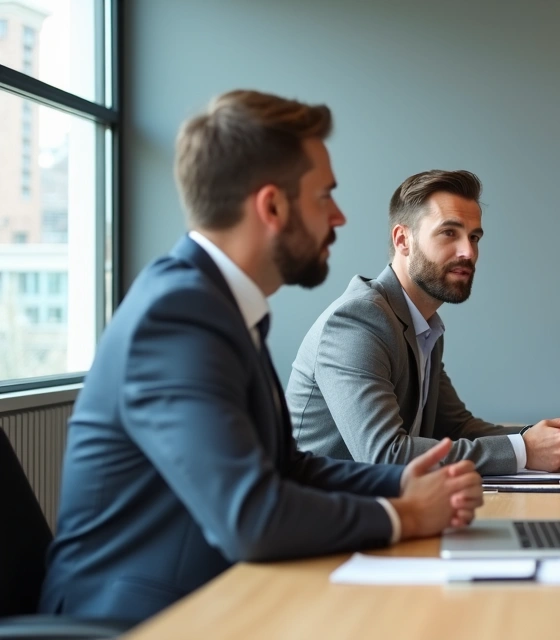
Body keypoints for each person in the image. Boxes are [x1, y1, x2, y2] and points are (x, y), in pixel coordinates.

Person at [38, 90, 483, 623]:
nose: (339, 217)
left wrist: (401, 482)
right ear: (272, 206)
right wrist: (401, 516)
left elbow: (286, 467)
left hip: (216, 596)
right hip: (139, 617)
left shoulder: (218, 305)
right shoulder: (177, 316)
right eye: (325, 196)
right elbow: (250, 515)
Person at [287, 170, 560, 475]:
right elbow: (384, 455)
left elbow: (456, 426)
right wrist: (524, 451)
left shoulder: (425, 326)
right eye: (449, 233)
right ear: (403, 239)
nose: (468, 252)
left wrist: (539, 439)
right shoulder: (359, 321)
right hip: (322, 515)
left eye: (474, 237)